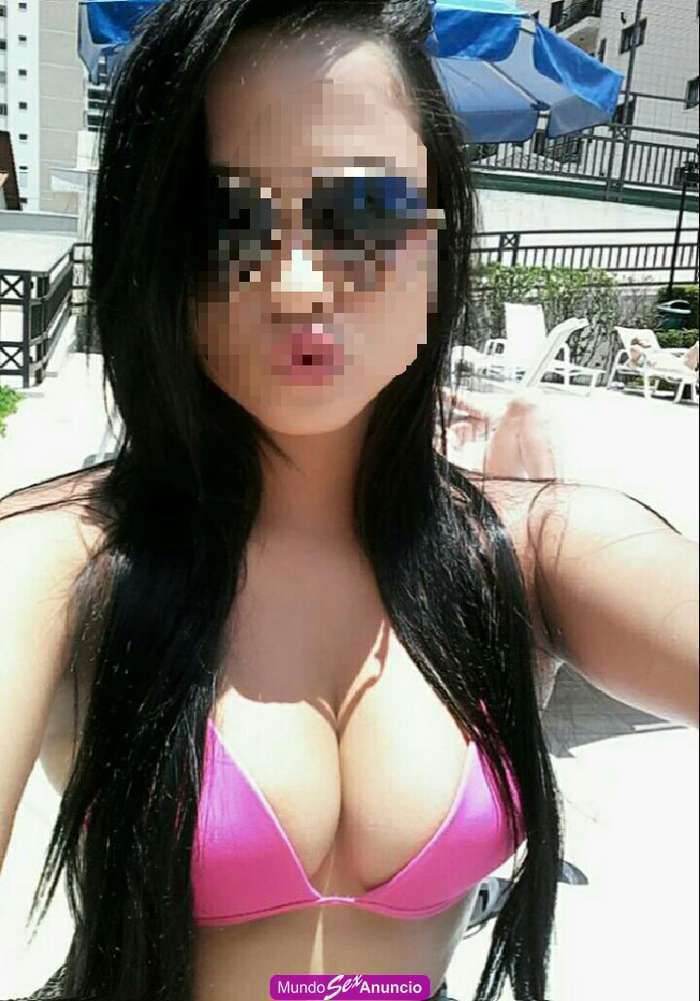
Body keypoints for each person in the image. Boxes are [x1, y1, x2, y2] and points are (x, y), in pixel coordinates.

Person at [0, 4, 697, 1001]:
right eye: (227, 224)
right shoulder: (59, 563)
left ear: (436, 240)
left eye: (361, 215)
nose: (295, 283)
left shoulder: (526, 549)